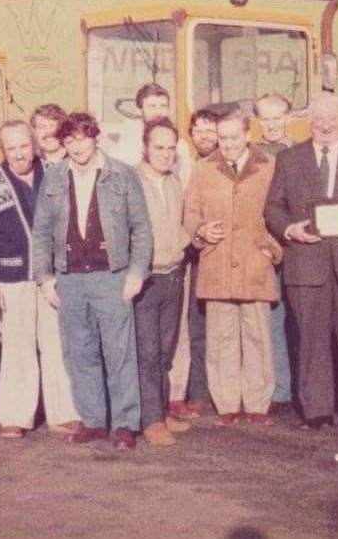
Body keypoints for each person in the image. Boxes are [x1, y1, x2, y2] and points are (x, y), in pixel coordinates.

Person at [33, 112, 153, 450]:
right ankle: (94, 421)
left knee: (119, 353)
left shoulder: (122, 175)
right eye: (69, 141)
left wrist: (135, 273)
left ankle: (126, 424)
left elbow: (141, 228)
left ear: (96, 138)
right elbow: (41, 231)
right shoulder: (54, 177)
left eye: (82, 138)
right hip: (69, 279)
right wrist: (44, 278)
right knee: (79, 352)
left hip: (111, 277)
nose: (76, 147)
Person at [265, 92, 338, 431]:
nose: (326, 125)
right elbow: (273, 207)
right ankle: (317, 412)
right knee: (312, 340)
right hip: (306, 262)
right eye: (318, 119)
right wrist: (290, 229)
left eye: (332, 119)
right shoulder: (289, 158)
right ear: (308, 123)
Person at [0, 120, 80, 439]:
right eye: (11, 148)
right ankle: (16, 415)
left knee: (57, 344)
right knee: (17, 347)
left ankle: (63, 413)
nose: (19, 154)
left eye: (24, 146)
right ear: (2, 150)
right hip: (10, 279)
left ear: (33, 145)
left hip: (51, 277)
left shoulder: (55, 174)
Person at [184, 109, 282, 426]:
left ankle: (256, 405)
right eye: (222, 138)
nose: (226, 144)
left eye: (233, 138)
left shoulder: (269, 166)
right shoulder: (202, 169)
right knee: (221, 339)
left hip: (256, 264)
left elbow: (282, 211)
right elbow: (190, 215)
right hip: (217, 263)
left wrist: (272, 249)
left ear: (248, 135)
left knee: (257, 337)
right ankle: (227, 406)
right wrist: (200, 232)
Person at [133, 118, 193, 446]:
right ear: (145, 147)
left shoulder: (173, 181)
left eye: (171, 148)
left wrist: (193, 237)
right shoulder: (130, 181)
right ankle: (151, 420)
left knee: (165, 352)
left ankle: (162, 411)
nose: (166, 154)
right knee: (147, 351)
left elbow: (178, 227)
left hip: (173, 275)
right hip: (146, 278)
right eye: (159, 147)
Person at [168, 109, 219, 419]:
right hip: (192, 253)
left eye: (210, 129)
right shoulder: (184, 166)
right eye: (198, 129)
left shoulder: (225, 163)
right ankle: (197, 391)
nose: (204, 135)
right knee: (195, 324)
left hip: (220, 251)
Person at [253, 93, 294, 413]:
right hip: (266, 250)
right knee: (271, 321)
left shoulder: (300, 153)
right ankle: (279, 390)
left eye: (278, 117)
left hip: (298, 247)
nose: (272, 125)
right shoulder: (251, 156)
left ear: (288, 118)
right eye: (265, 118)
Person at [31, 104, 68, 168]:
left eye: (52, 125)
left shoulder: (76, 161)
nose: (48, 131)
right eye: (41, 126)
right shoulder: (31, 165)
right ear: (34, 132)